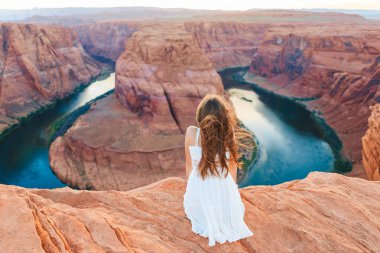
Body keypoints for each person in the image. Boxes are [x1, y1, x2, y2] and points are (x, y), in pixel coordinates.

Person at [183, 92, 254, 247]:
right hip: (222, 189)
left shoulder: (191, 133)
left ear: (200, 115)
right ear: (224, 117)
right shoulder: (229, 138)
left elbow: (189, 165)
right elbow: (232, 170)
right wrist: (231, 194)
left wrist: (191, 191)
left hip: (198, 193)